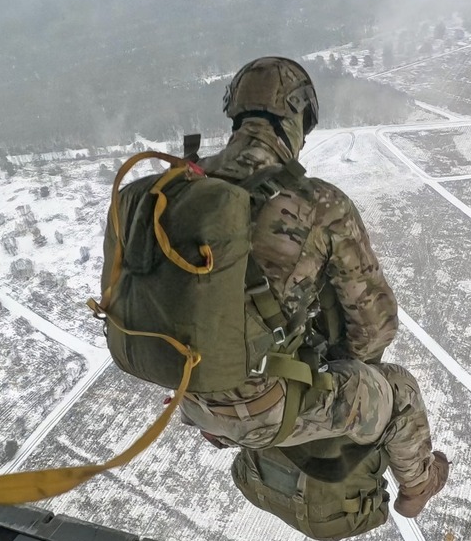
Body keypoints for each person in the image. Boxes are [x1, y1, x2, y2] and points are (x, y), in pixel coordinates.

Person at [178, 56, 448, 517]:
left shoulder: (183, 187)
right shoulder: (320, 204)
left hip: (191, 400)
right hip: (263, 409)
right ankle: (417, 490)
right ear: (299, 119)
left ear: (235, 114)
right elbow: (376, 328)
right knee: (400, 391)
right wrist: (337, 366)